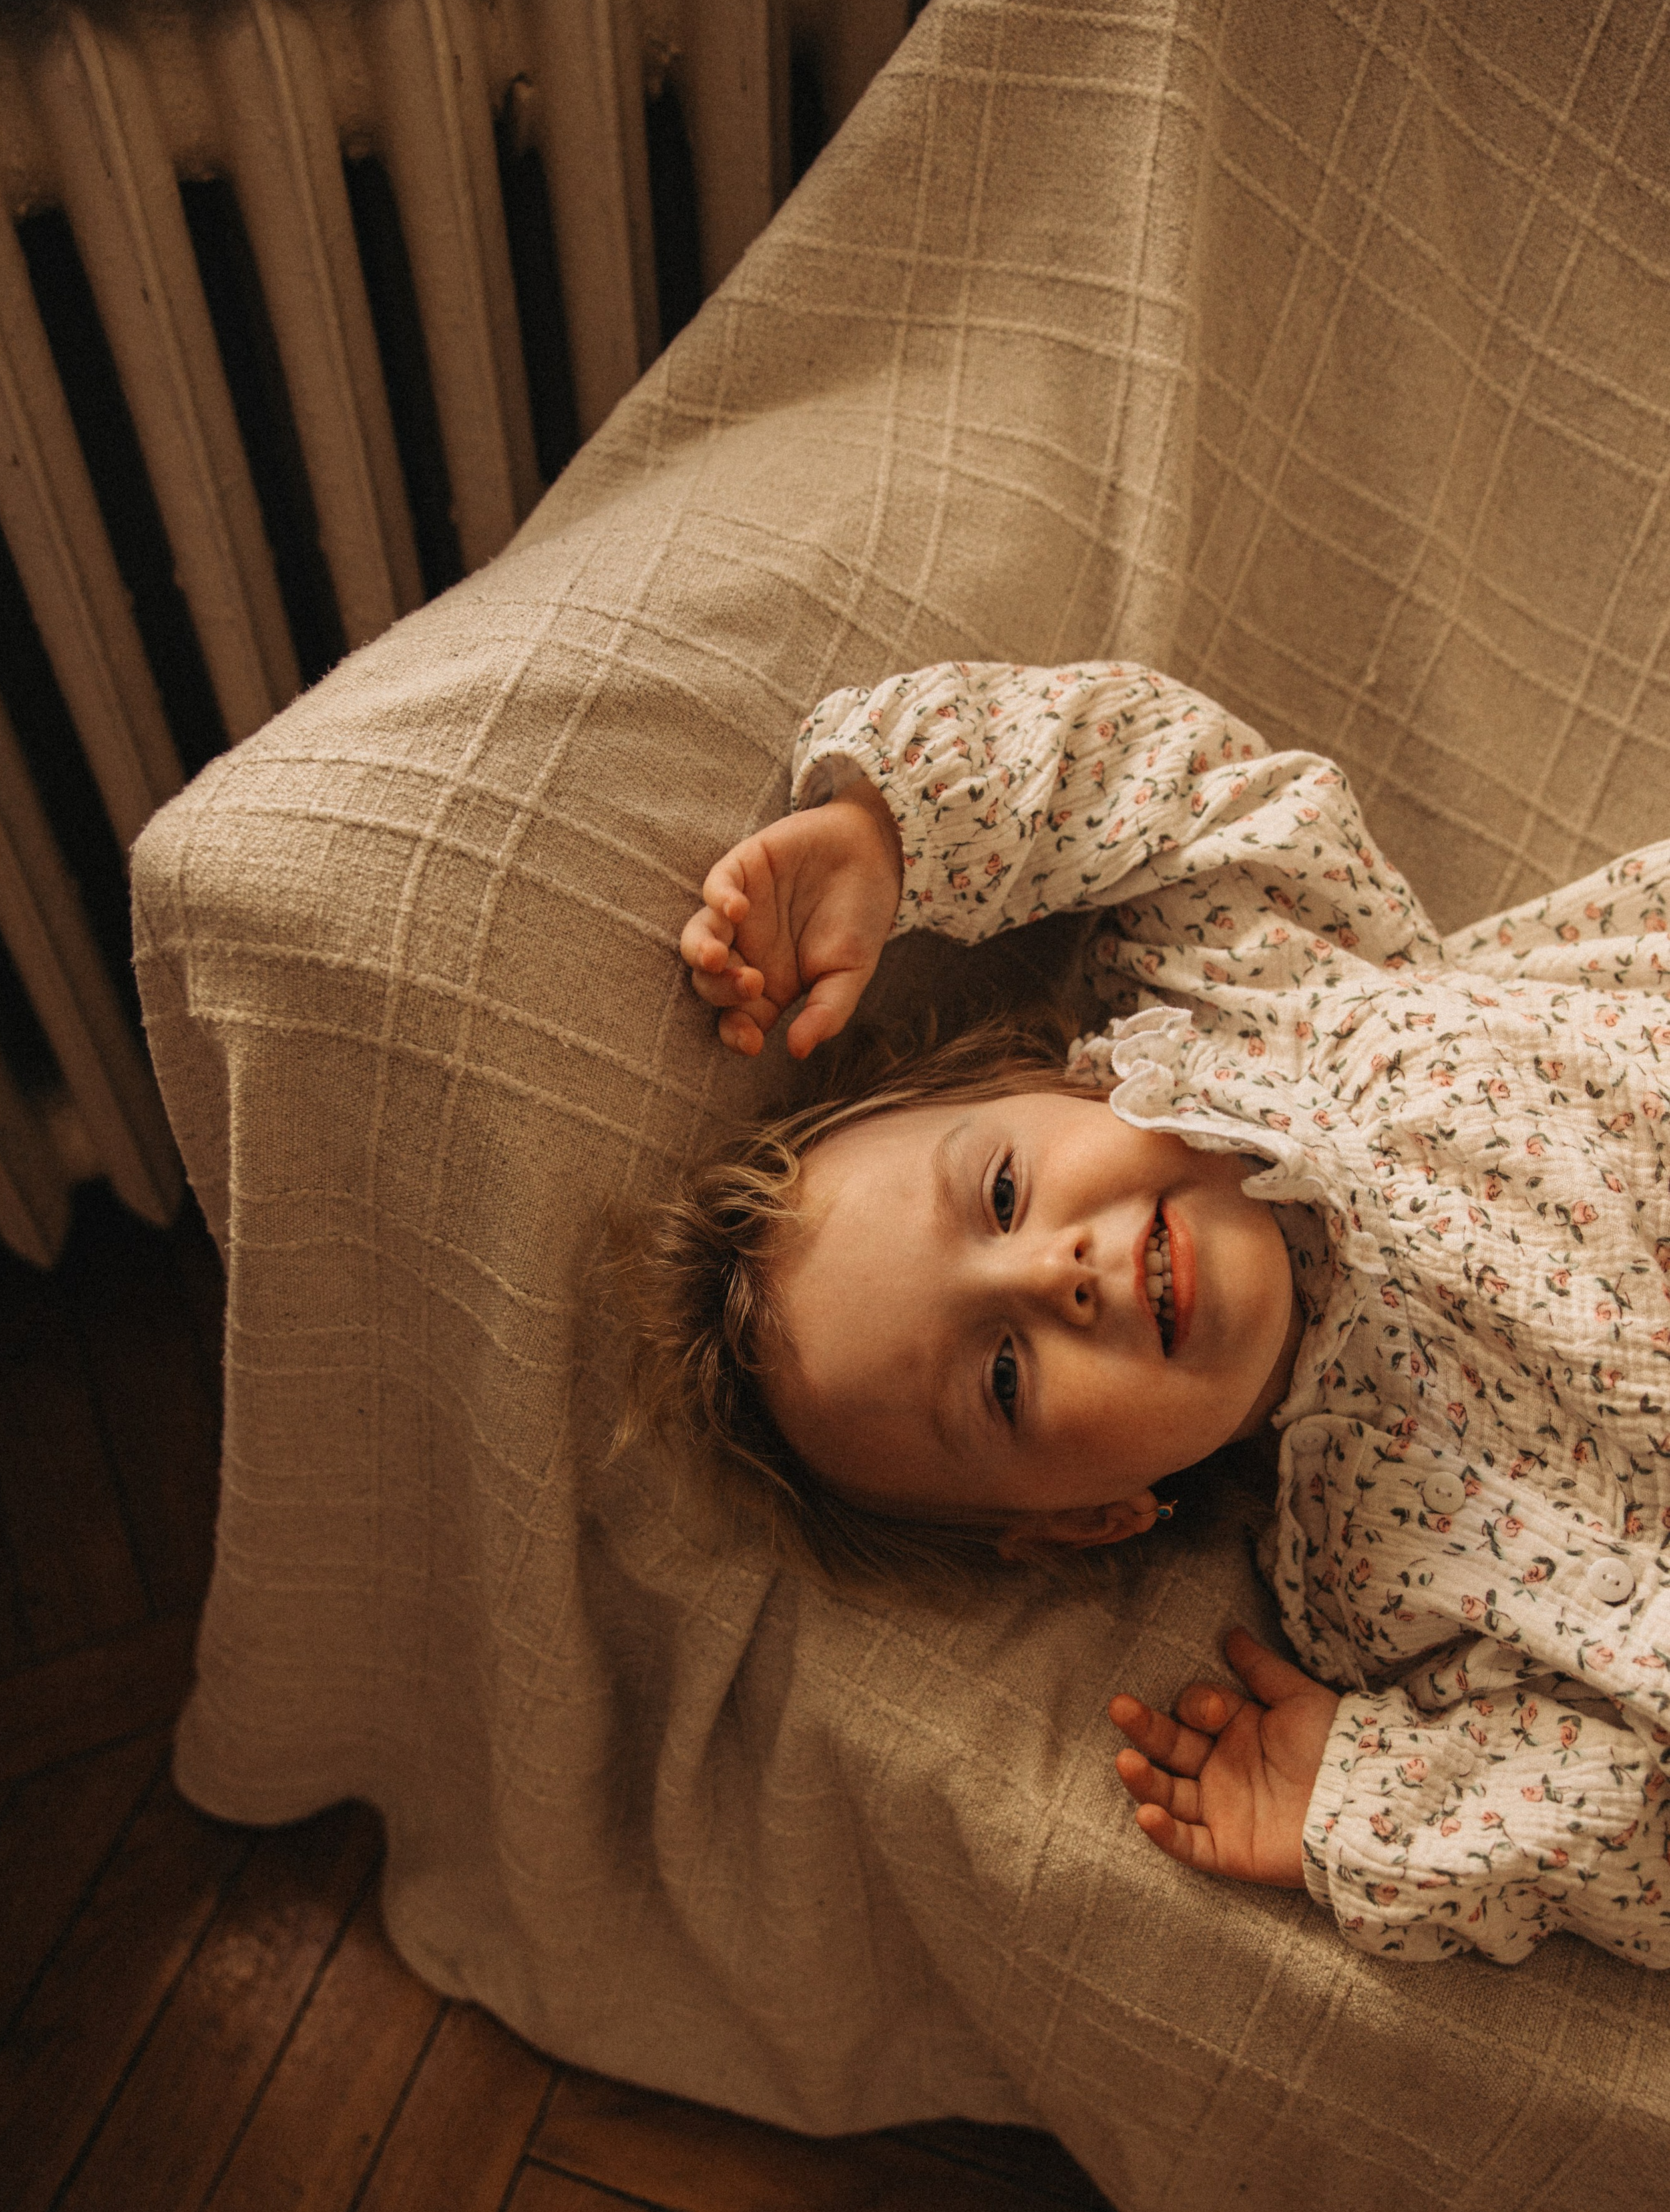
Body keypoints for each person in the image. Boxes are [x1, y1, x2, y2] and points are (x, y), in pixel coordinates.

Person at [621, 659, 1670, 1969]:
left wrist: (891, 836)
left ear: (1046, 1081)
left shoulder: (1255, 988)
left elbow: (1156, 778)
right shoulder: (1369, 1574)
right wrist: (1357, 1804)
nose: (1049, 1276)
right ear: (1091, 1515)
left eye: (1003, 1190)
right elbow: (1632, 1796)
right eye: (1001, 1380)